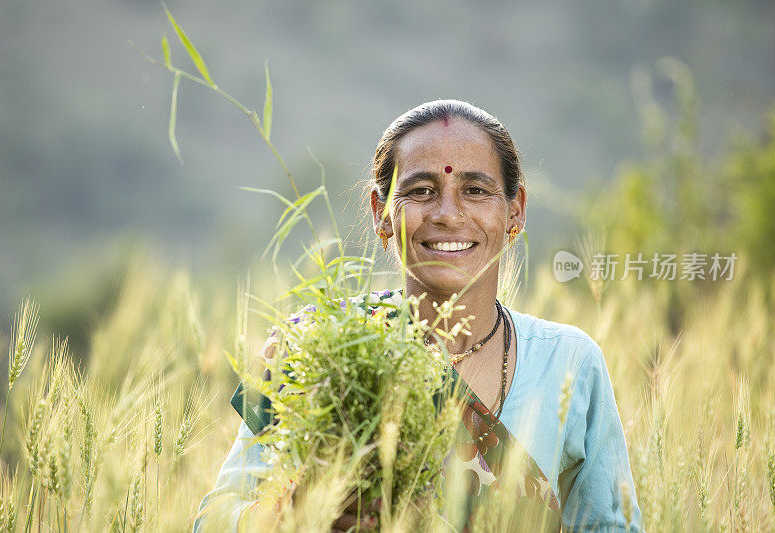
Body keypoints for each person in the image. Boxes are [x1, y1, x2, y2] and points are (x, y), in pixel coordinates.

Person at [193, 100, 643, 532]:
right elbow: (212, 520)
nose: (448, 214)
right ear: (381, 213)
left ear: (515, 210)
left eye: (475, 190)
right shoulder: (321, 350)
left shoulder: (569, 364)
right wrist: (289, 515)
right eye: (421, 190)